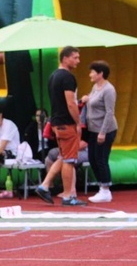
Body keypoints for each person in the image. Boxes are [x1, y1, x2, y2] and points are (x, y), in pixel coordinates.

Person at [35, 46, 85, 206]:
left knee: (63, 157)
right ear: (65, 58)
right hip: (66, 123)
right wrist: (78, 123)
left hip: (57, 122)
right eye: (75, 57)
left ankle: (44, 185)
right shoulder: (67, 77)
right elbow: (71, 103)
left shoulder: (53, 76)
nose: (78, 61)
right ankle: (68, 196)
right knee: (70, 160)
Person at [82, 60, 117, 203]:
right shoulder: (95, 86)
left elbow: (109, 112)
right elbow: (94, 101)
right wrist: (86, 98)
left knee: (101, 159)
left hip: (105, 130)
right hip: (92, 129)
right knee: (92, 158)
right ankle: (101, 187)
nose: (90, 74)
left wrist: (102, 133)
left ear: (100, 73)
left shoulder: (109, 90)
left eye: (92, 72)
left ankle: (105, 190)